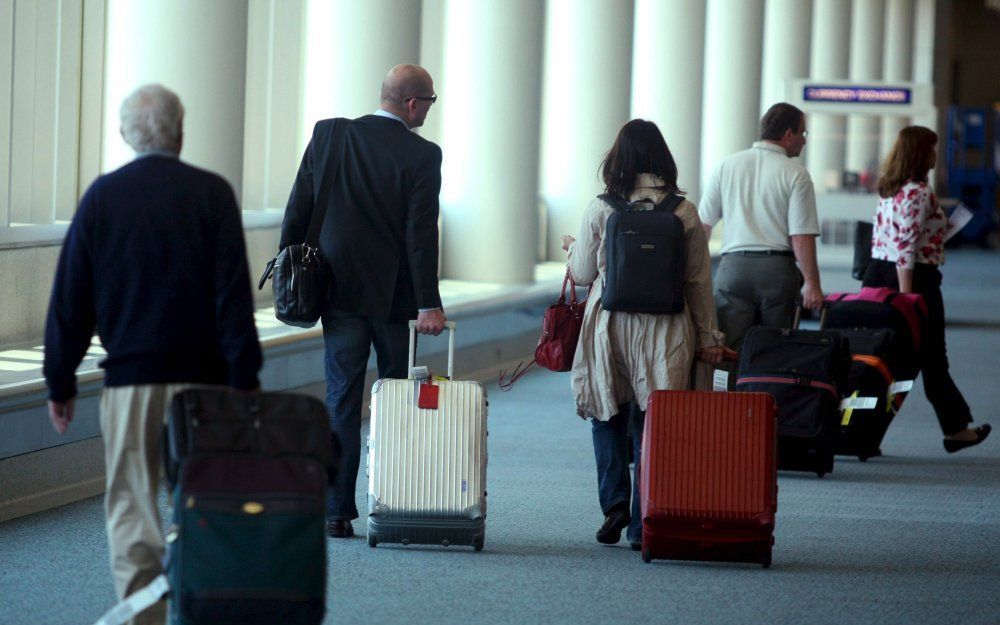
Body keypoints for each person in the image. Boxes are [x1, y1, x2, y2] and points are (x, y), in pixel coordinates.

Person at [43, 84, 262, 625]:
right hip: (205, 385)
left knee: (131, 506)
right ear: (181, 132)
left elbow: (71, 299)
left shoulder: (102, 197)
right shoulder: (212, 194)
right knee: (208, 501)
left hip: (131, 382)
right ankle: (208, 608)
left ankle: (146, 617)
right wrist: (245, 380)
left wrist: (60, 381)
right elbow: (233, 297)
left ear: (124, 135)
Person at [280, 64, 447, 539]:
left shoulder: (330, 135)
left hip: (338, 293)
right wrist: (428, 303)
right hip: (395, 301)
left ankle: (336, 509)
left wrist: (289, 271)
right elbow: (420, 235)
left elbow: (300, 206)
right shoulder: (423, 155)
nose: (429, 111)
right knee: (396, 399)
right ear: (413, 103)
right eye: (430, 102)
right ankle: (394, 499)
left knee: (341, 399)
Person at [561, 120, 728, 551]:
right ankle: (643, 524)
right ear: (663, 158)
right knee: (654, 422)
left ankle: (615, 501)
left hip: (610, 323)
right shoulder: (682, 211)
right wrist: (709, 337)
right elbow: (698, 283)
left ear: (618, 159)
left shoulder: (602, 207)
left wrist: (571, 249)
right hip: (666, 326)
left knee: (607, 410)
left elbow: (581, 274)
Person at [863, 125, 991, 453]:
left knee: (891, 360)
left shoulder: (890, 187)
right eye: (933, 149)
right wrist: (909, 300)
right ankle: (955, 430)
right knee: (932, 356)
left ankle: (864, 433)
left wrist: (941, 230)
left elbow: (901, 239)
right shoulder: (918, 192)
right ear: (922, 153)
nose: (936, 154)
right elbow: (905, 248)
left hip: (880, 274)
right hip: (912, 280)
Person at [698, 102, 823, 349]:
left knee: (729, 350)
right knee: (775, 349)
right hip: (776, 273)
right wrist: (812, 283)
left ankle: (729, 387)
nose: (805, 141)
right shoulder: (796, 173)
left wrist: (694, 272)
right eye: (803, 133)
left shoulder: (726, 166)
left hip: (732, 269)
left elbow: (703, 225)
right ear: (788, 135)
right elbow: (800, 236)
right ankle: (767, 387)